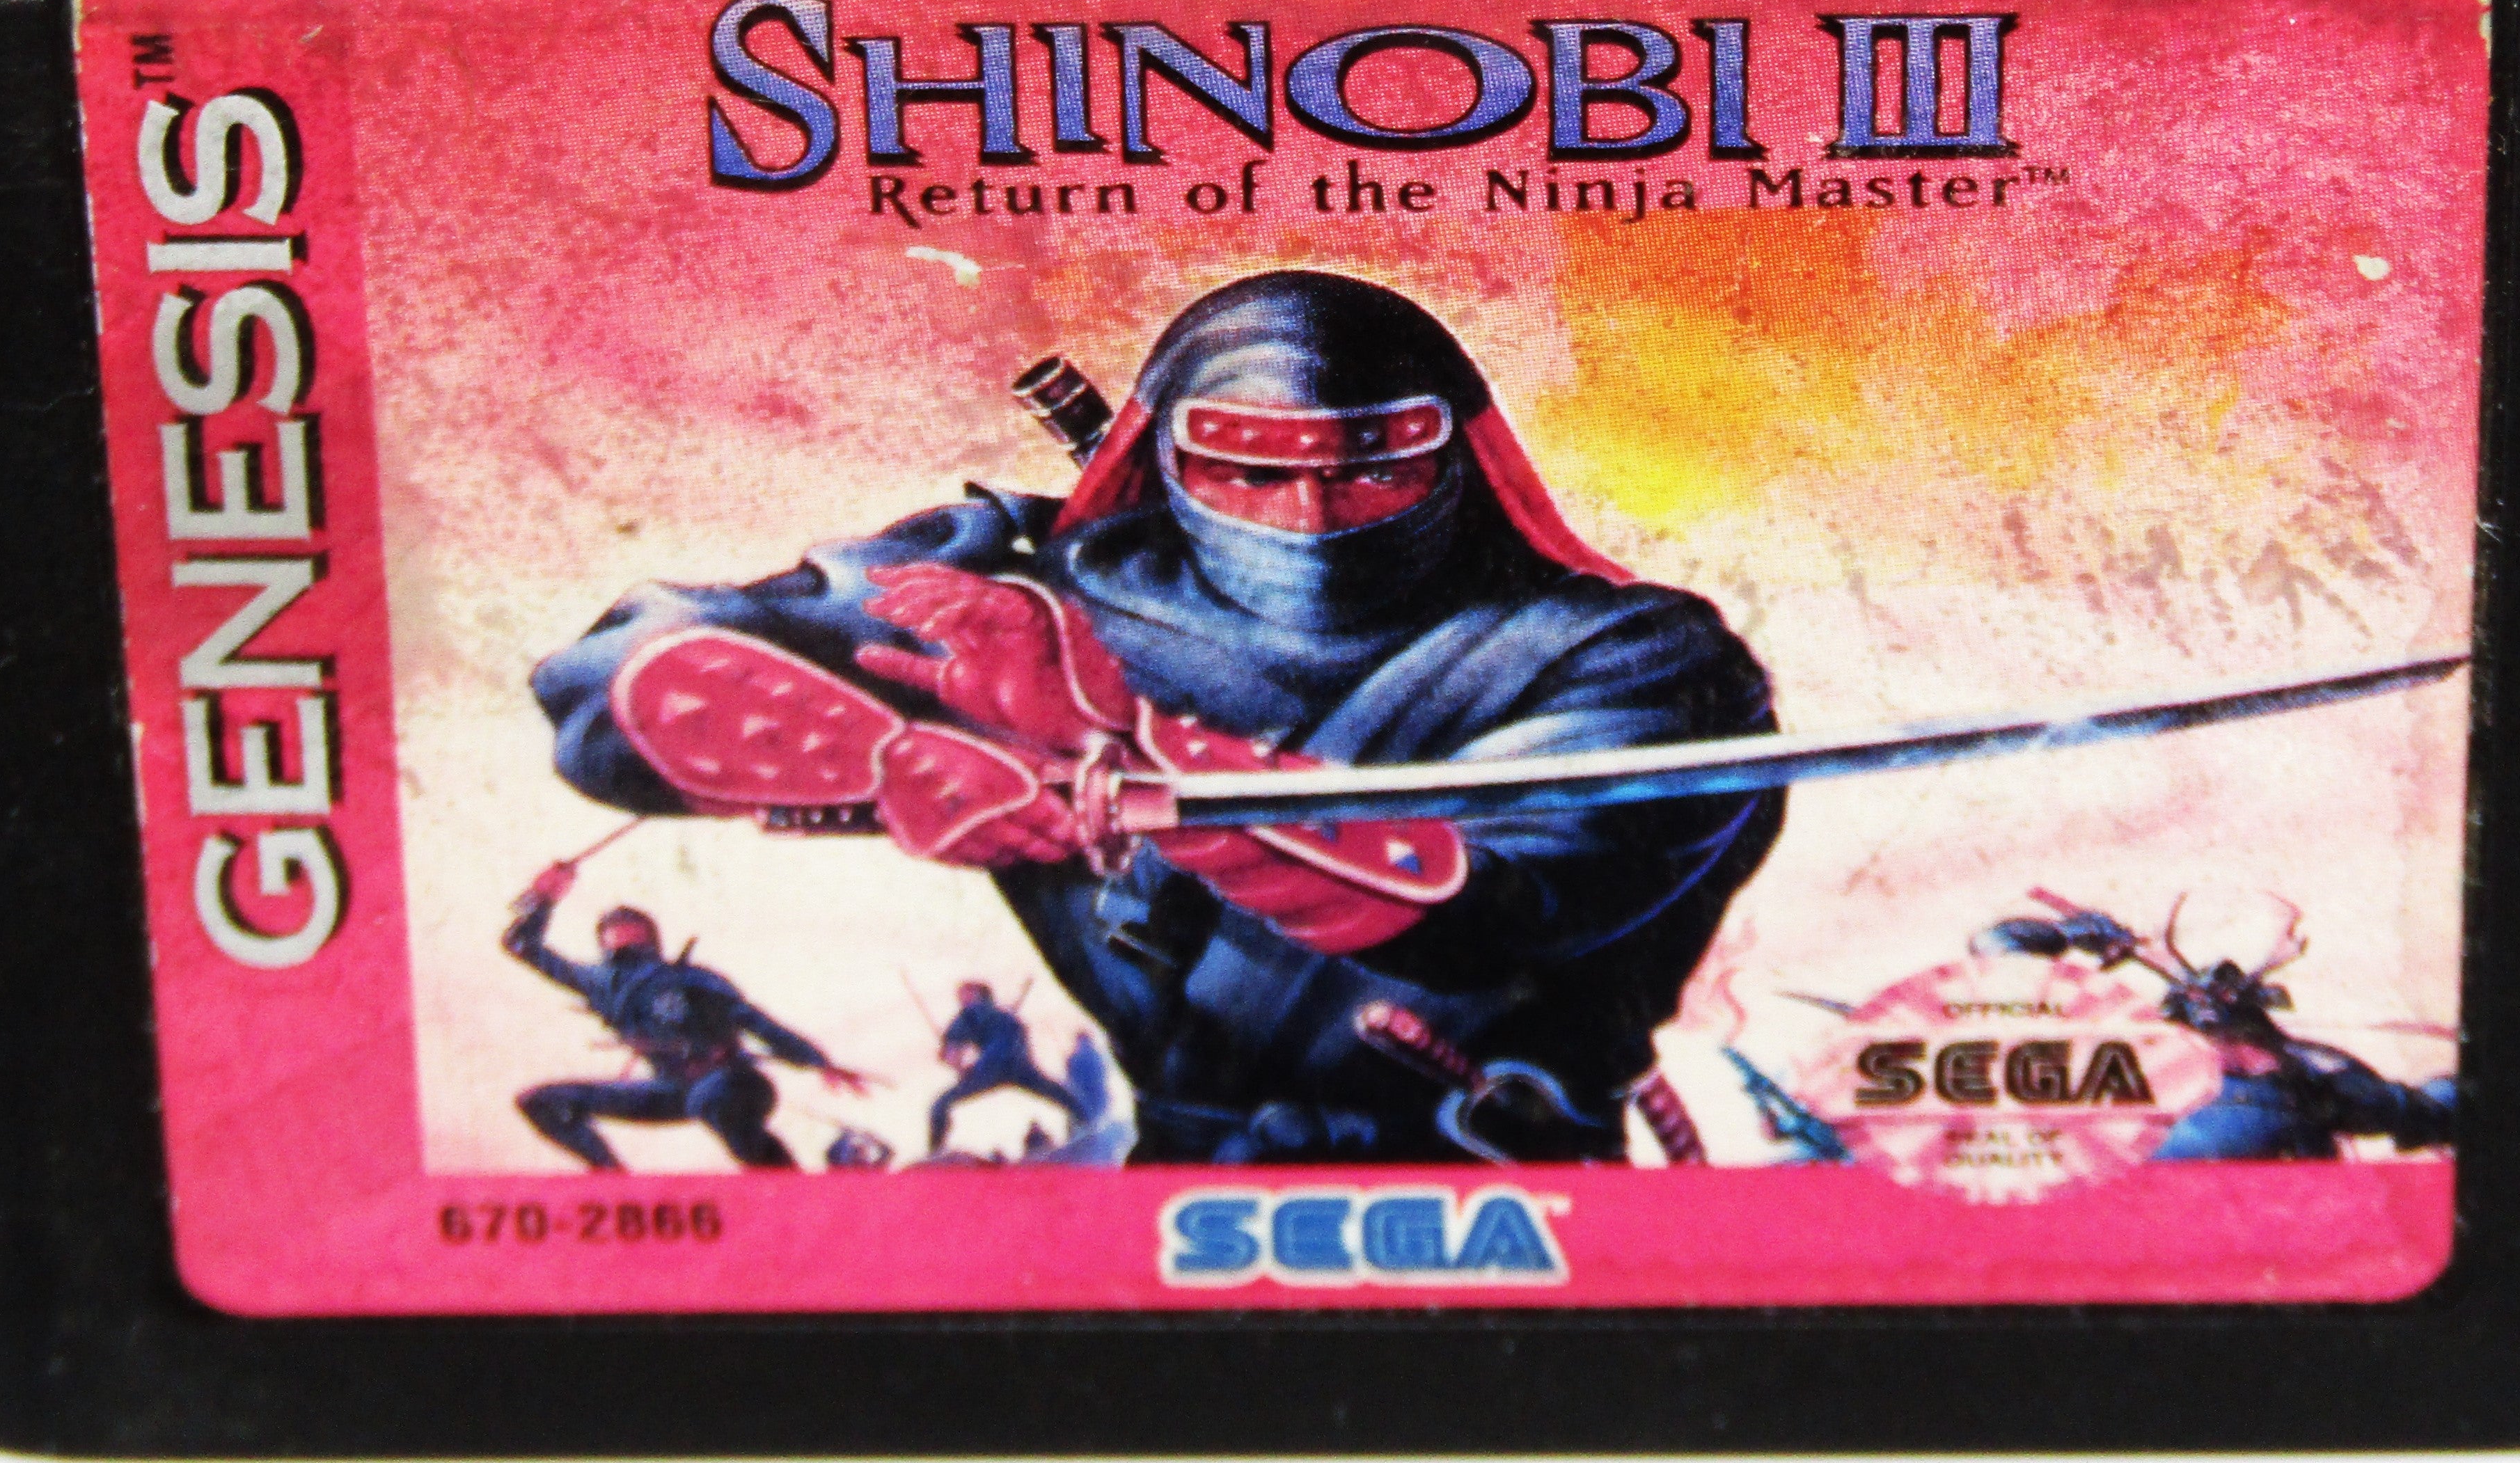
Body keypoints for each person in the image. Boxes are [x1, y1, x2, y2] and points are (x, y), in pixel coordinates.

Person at [532, 270, 1780, 1164]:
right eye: (1251, 468)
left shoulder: (1633, 655)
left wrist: (1131, 743)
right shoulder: (1023, 594)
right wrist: (897, 756)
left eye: (1370, 467)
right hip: (1187, 1166)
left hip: (1505, 1159)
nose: (1308, 517)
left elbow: (1495, 907)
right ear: (1170, 459)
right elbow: (626, 680)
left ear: (1455, 457)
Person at [503, 866, 874, 1171]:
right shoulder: (598, 984)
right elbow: (521, 945)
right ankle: (611, 1180)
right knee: (542, 1102)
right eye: (617, 945)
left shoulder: (690, 980)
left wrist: (816, 1060)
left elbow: (756, 1022)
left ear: (652, 942)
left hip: (730, 1083)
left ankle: (784, 1182)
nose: (626, 952)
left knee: (711, 1099)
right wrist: (543, 898)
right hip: (670, 1092)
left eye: (634, 941)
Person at [927, 979, 1087, 1153]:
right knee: (1062, 1095)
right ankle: (1084, 1122)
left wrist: (961, 1067)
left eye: (964, 994)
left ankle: (936, 1150)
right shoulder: (1004, 1016)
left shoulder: (970, 1016)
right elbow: (1018, 1040)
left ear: (977, 994)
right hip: (1017, 1066)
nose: (960, 999)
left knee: (940, 1105)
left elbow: (952, 1054)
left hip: (995, 1067)